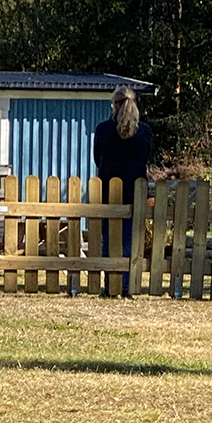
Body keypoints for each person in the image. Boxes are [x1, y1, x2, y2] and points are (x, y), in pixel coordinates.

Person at [93, 86, 152, 296]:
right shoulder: (145, 131)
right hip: (135, 191)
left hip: (109, 189)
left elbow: (97, 159)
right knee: (128, 240)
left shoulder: (103, 130)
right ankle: (126, 286)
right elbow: (144, 160)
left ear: (115, 104)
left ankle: (110, 286)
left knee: (109, 239)